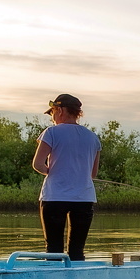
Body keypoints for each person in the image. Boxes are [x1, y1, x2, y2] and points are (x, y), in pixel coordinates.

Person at [31, 93, 101, 261]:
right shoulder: (93, 137)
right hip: (84, 198)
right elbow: (93, 173)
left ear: (60, 110)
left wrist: (54, 171)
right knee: (77, 252)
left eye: (52, 112)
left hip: (55, 197)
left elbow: (38, 164)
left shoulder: (51, 132)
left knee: (54, 250)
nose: (52, 117)